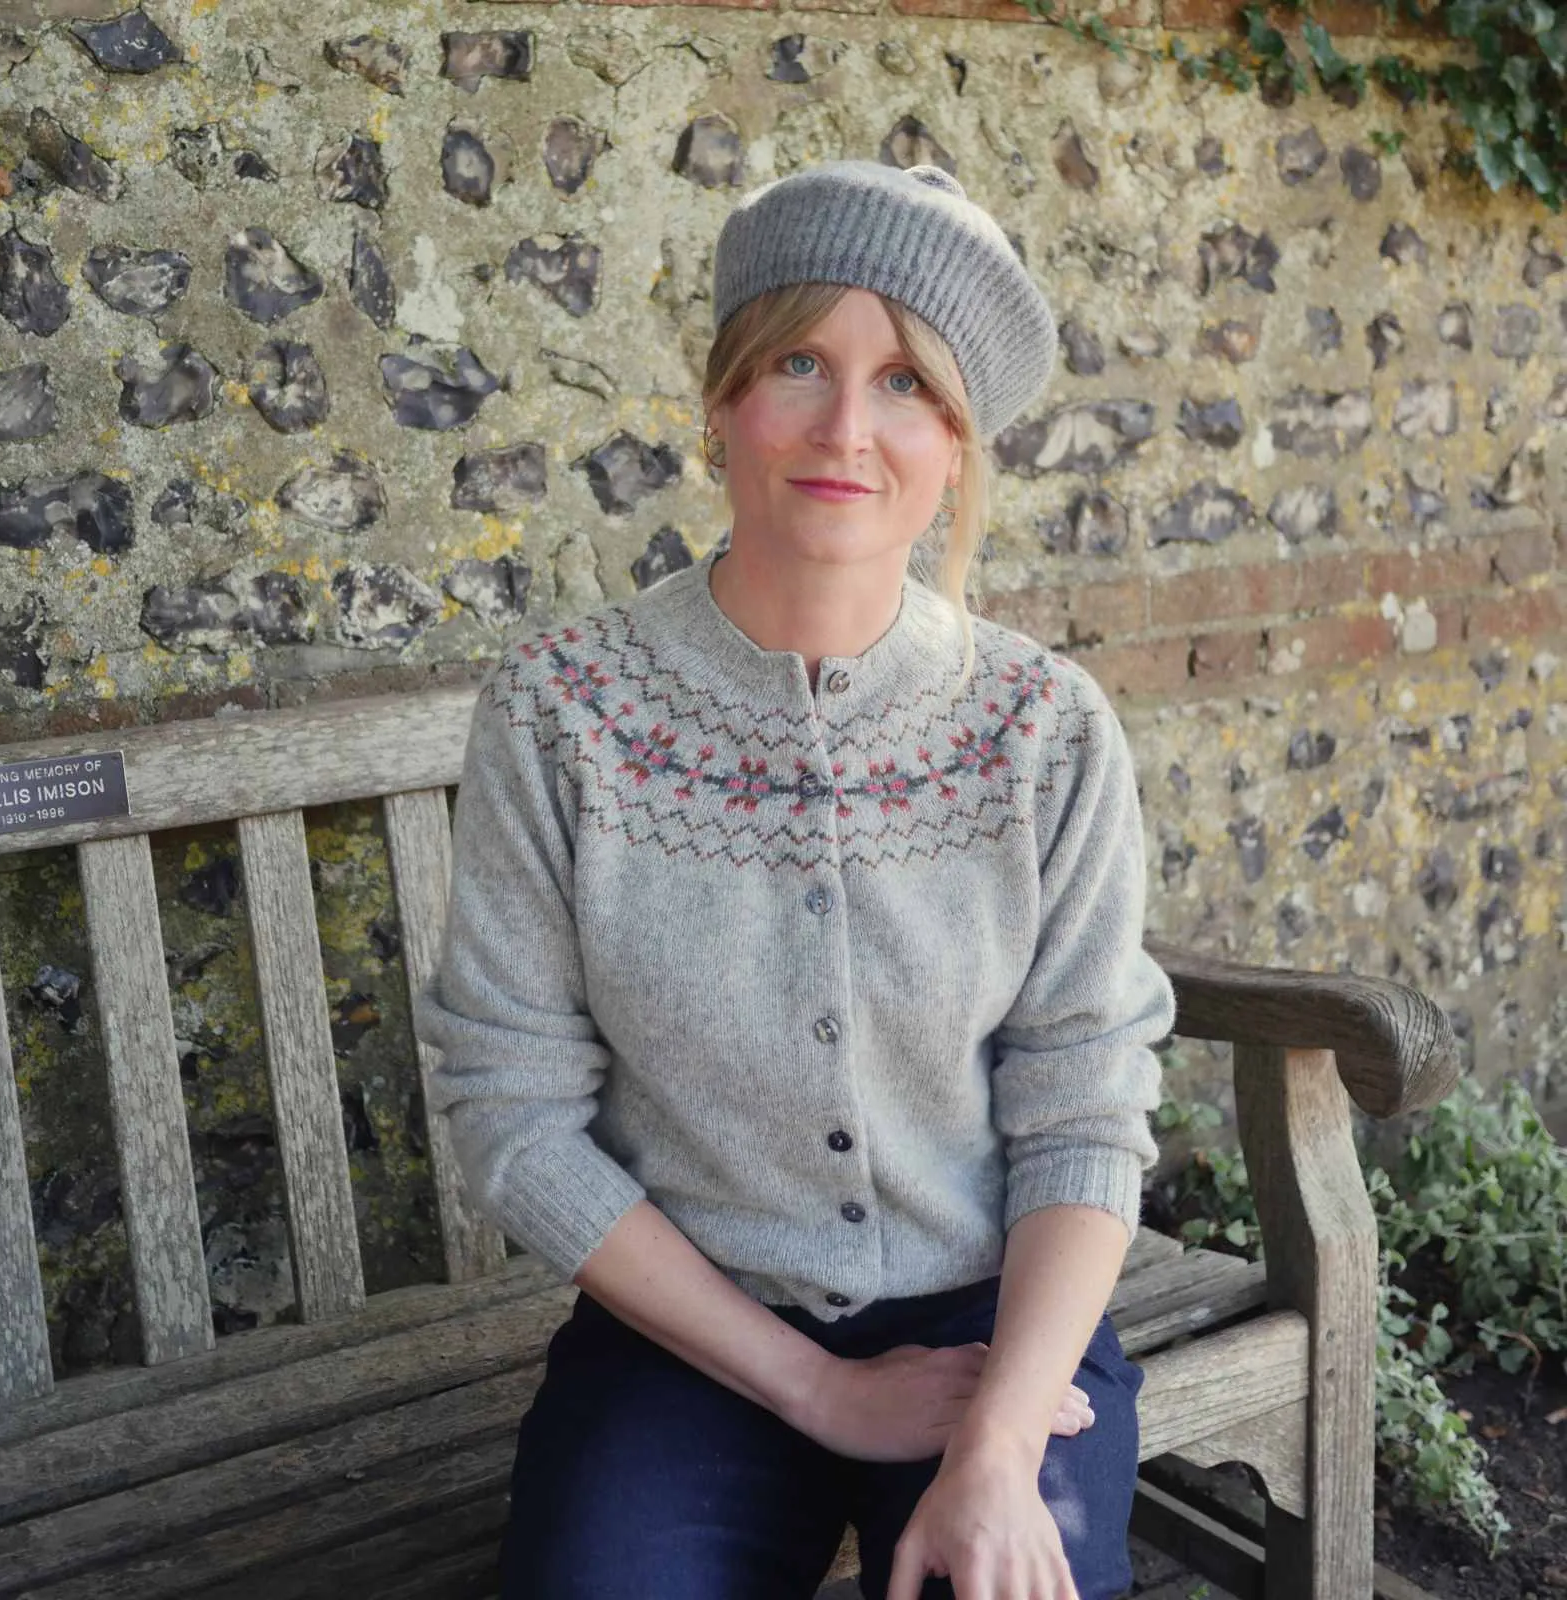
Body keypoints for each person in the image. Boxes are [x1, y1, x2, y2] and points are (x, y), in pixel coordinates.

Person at [413, 159, 1175, 1600]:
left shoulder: (1044, 729)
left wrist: (1005, 1438)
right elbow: (513, 1112)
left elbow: (1085, 1101)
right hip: (686, 1334)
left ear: (959, 444)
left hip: (990, 1326)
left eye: (907, 387)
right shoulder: (564, 712)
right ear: (720, 400)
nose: (846, 428)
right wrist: (815, 1390)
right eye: (802, 364)